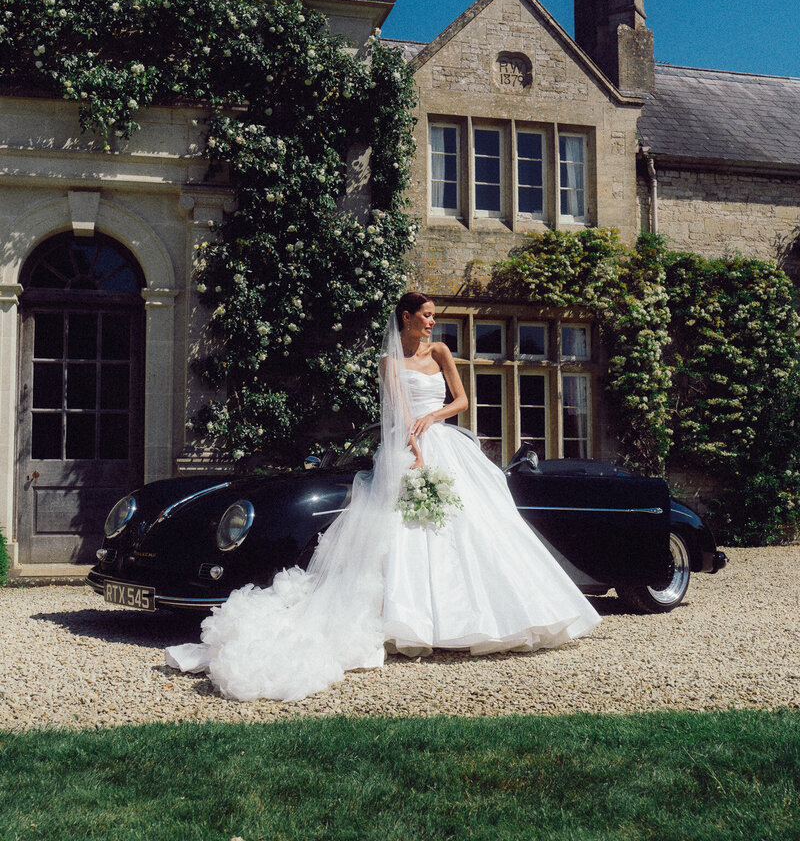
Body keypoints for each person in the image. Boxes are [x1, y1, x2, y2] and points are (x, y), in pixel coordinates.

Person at [165, 293, 600, 701]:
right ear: (407, 318)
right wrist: (413, 455)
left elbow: (462, 399)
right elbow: (397, 414)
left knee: (471, 527)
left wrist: (434, 416)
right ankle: (409, 621)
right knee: (406, 532)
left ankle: (480, 619)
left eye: (434, 316)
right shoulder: (389, 363)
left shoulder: (442, 353)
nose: (432, 323)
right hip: (407, 449)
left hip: (445, 442)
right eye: (426, 315)